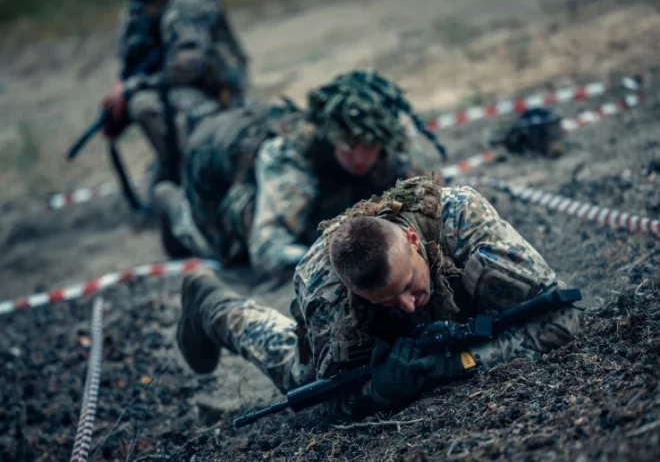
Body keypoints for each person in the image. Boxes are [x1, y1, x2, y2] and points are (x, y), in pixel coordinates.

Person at [175, 175, 581, 420]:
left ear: (411, 240)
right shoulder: (326, 293)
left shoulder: (464, 223)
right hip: (373, 342)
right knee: (295, 374)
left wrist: (462, 362)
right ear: (353, 291)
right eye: (387, 301)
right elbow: (327, 403)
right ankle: (210, 305)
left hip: (467, 303)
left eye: (408, 287)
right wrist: (379, 392)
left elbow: (562, 318)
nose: (406, 305)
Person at [154, 69, 447, 281]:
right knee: (224, 248)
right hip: (210, 160)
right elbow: (268, 252)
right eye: (348, 146)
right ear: (331, 137)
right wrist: (342, 258)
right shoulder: (291, 160)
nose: (359, 158)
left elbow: (438, 203)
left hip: (246, 134)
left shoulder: (393, 146)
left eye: (369, 147)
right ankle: (170, 203)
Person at [102, 0, 249, 198]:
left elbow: (188, 65)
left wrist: (132, 88)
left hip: (213, 90)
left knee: (144, 106)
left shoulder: (190, 0)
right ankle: (176, 168)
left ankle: (195, 176)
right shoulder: (139, 7)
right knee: (152, 203)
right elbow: (131, 60)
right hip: (175, 87)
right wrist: (120, 97)